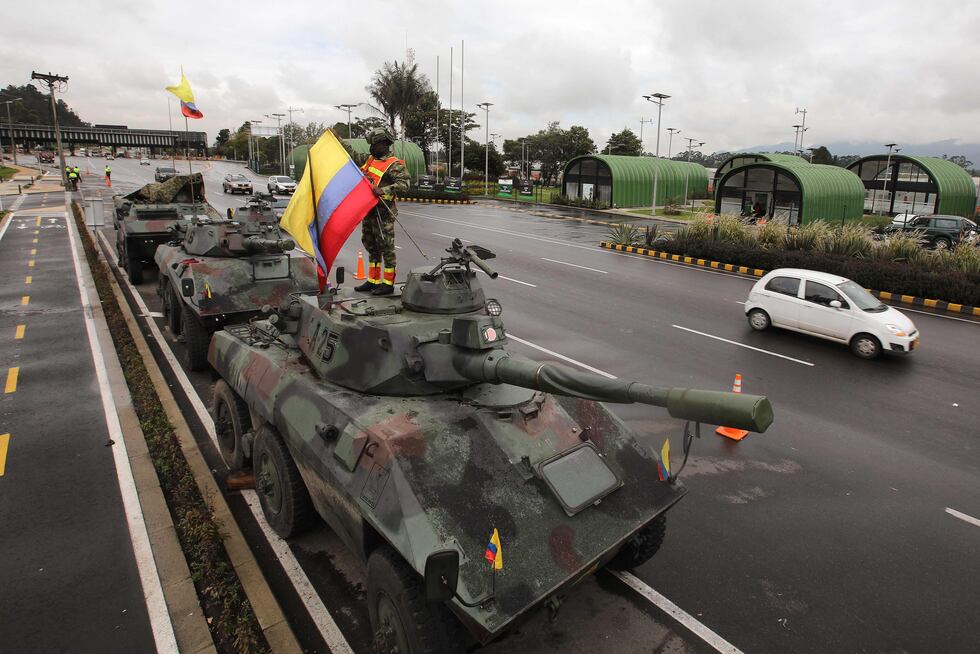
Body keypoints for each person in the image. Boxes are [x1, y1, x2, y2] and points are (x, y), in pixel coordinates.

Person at [342, 127, 410, 295]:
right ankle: (373, 280)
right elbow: (352, 155)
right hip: (369, 211)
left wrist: (384, 190)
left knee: (386, 247)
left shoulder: (395, 164)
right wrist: (338, 140)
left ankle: (387, 283)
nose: (371, 148)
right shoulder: (370, 160)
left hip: (383, 213)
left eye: (374, 144)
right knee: (371, 245)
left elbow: (404, 185)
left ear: (384, 144)